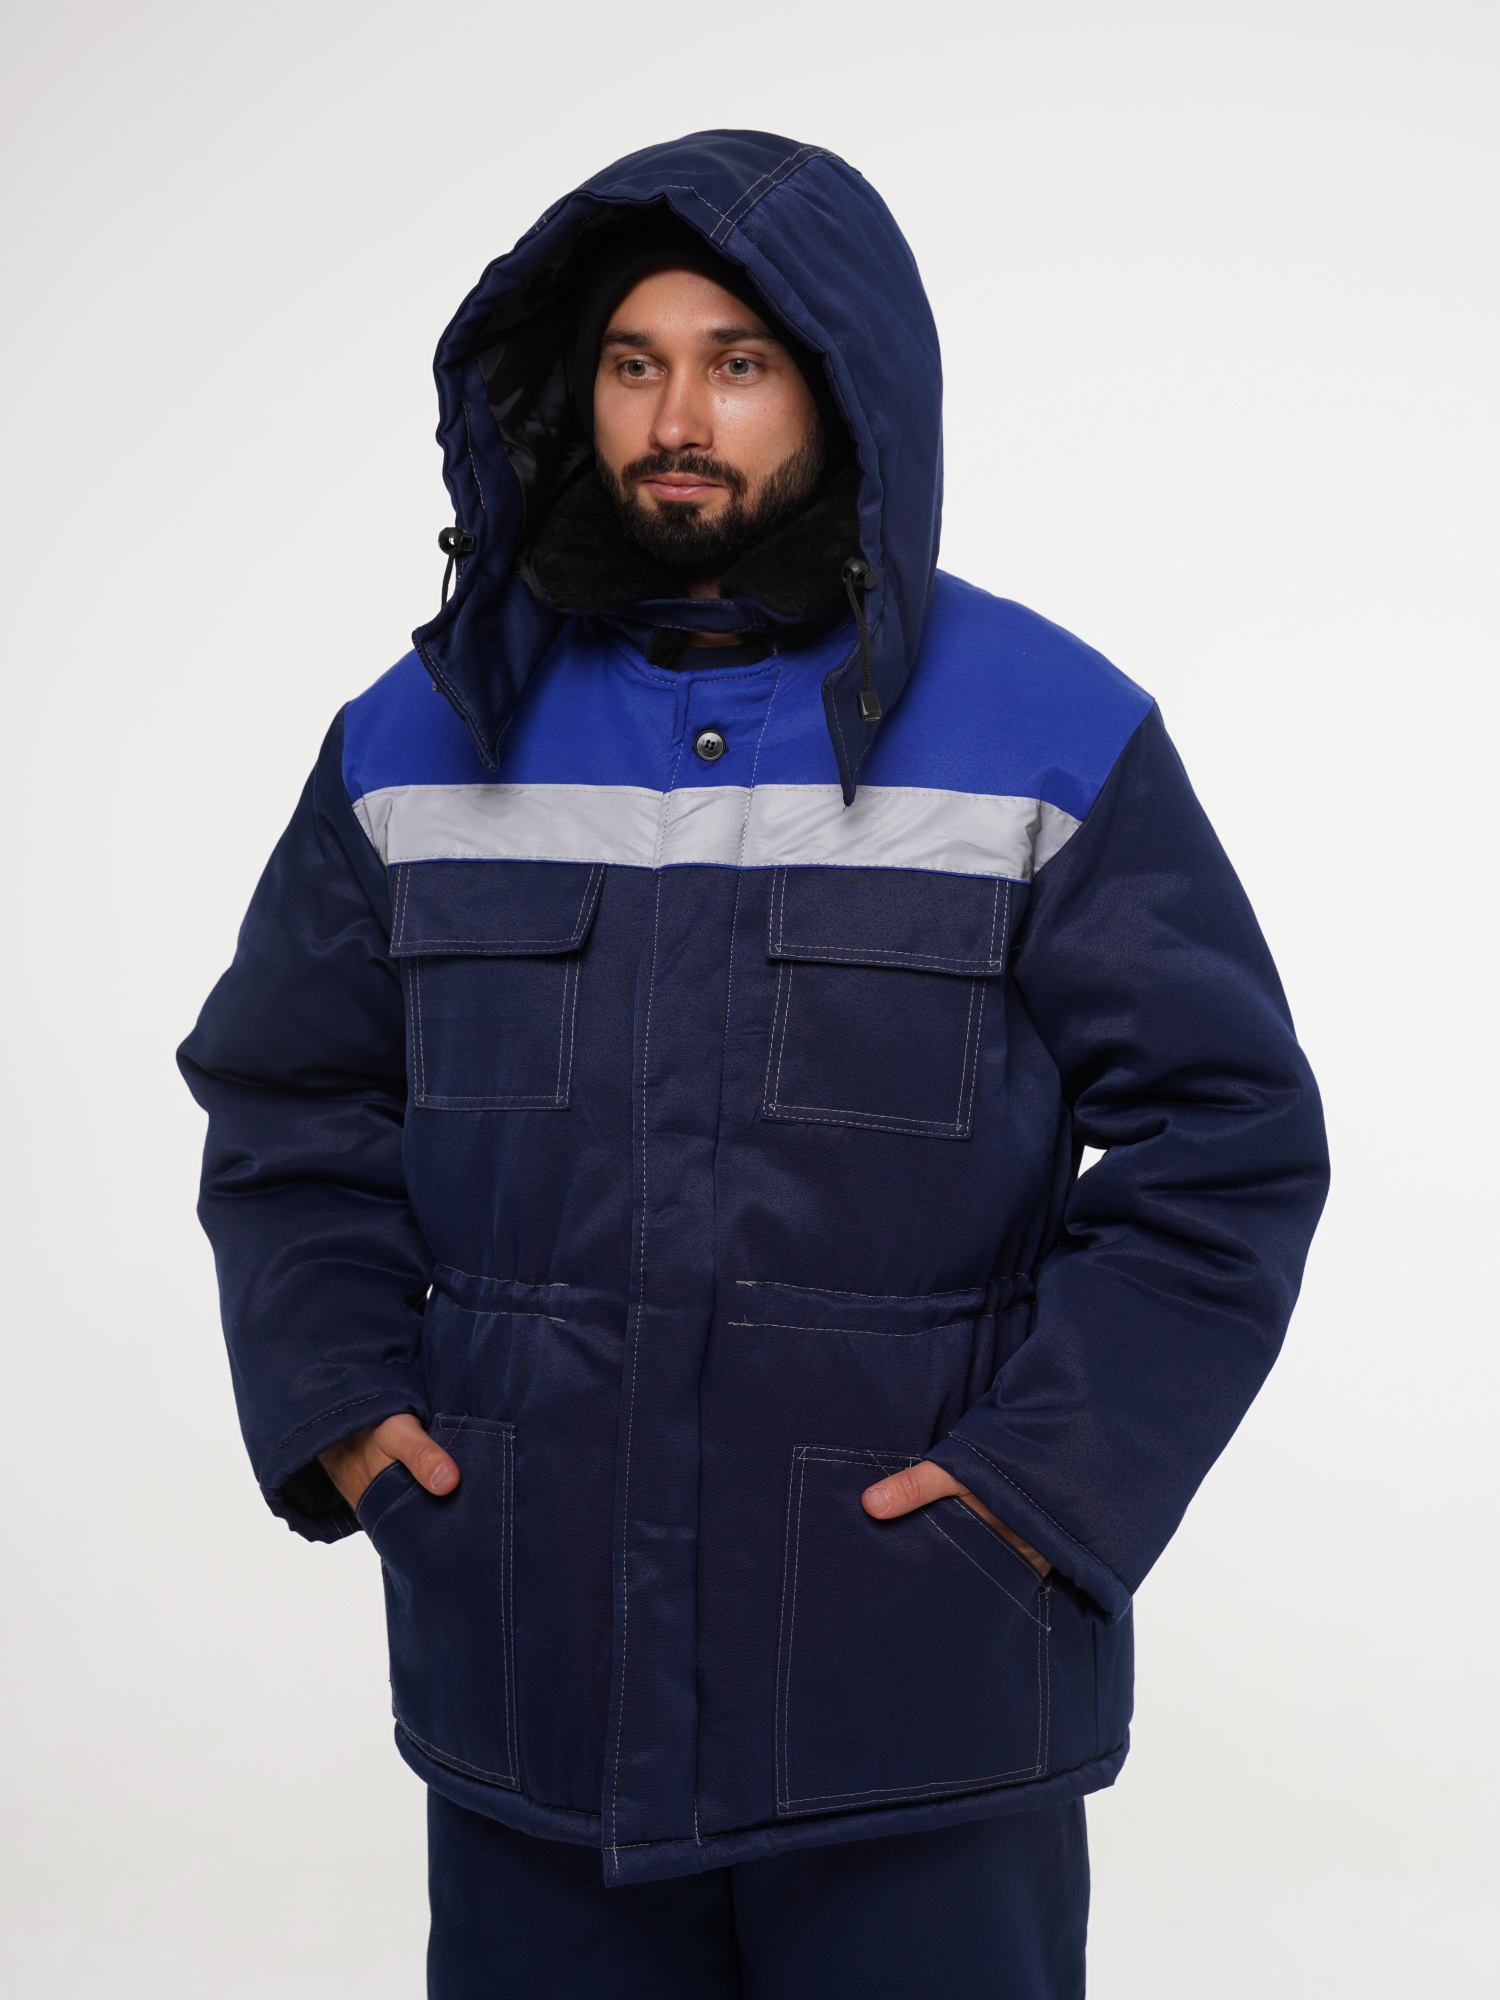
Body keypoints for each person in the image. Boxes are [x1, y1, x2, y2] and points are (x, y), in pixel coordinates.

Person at [180, 130, 1329, 1998]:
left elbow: (1228, 1141)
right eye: (633, 364)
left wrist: (1040, 1494)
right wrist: (345, 1407)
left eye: (739, 362)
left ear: (845, 386)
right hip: (531, 1690)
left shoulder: (1048, 728)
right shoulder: (417, 735)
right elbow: (291, 1104)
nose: (677, 418)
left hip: (920, 1700)